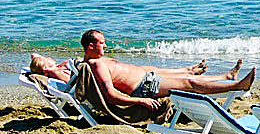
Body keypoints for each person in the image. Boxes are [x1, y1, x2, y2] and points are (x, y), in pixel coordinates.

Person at [80, 29, 255, 111]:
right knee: (189, 83)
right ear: (91, 46)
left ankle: (227, 76)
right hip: (144, 88)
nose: (106, 45)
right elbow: (110, 95)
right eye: (102, 43)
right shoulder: (97, 65)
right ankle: (237, 86)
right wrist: (140, 102)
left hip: (147, 77)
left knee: (187, 75)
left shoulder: (96, 61)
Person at [30, 52, 209, 83]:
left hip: (105, 70)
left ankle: (187, 70)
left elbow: (35, 58)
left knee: (150, 69)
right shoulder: (57, 73)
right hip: (104, 76)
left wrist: (38, 60)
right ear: (45, 68)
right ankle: (187, 71)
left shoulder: (56, 68)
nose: (50, 57)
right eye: (47, 59)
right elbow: (78, 82)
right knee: (149, 72)